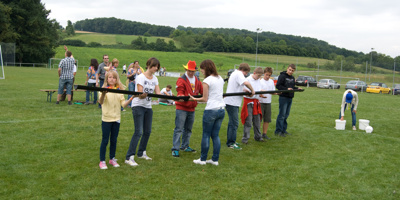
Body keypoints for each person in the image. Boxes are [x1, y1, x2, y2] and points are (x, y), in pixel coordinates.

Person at [125, 57, 161, 167]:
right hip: (138, 106)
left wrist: (166, 96)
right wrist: (142, 95)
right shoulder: (140, 77)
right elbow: (140, 94)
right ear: (149, 64)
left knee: (147, 131)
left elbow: (158, 92)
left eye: (157, 67)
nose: (155, 68)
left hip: (148, 107)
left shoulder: (155, 79)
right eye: (154, 66)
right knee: (138, 132)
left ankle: (141, 153)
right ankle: (129, 157)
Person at [189, 59, 225, 166]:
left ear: (206, 68)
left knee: (206, 135)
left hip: (211, 110)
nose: (201, 71)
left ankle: (203, 159)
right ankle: (215, 160)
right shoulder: (220, 78)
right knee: (215, 135)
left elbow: (205, 98)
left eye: (202, 69)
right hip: (221, 109)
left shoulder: (207, 80)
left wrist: (194, 99)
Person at [98, 70, 134, 169]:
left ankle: (112, 159)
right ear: (107, 79)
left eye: (114, 77)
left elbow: (123, 105)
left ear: (116, 79)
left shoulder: (119, 90)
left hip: (117, 119)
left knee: (114, 140)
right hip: (106, 119)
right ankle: (102, 161)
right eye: (110, 77)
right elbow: (100, 102)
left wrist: (131, 98)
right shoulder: (103, 89)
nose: (112, 79)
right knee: (105, 140)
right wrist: (104, 94)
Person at [171, 60, 203, 157]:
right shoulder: (181, 80)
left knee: (188, 129)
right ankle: (175, 148)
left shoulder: (197, 80)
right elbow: (180, 90)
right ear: (186, 69)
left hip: (192, 108)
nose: (191, 72)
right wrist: (181, 96)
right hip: (181, 108)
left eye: (192, 71)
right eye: (189, 70)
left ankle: (185, 146)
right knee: (179, 129)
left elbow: (202, 91)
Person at [224, 63, 255, 150]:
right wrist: (252, 90)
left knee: (232, 123)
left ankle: (231, 140)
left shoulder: (235, 73)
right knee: (234, 123)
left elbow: (239, 87)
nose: (246, 75)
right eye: (246, 73)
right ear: (244, 71)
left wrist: (246, 91)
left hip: (233, 102)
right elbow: (245, 82)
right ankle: (231, 143)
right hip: (232, 102)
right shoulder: (239, 74)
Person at [275, 64, 301, 137]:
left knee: (286, 115)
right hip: (283, 97)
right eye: (290, 70)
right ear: (287, 69)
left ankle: (283, 129)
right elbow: (278, 86)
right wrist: (286, 89)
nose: (290, 71)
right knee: (282, 114)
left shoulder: (292, 78)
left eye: (292, 70)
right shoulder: (282, 76)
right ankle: (278, 131)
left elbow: (292, 87)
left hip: (290, 98)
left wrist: (297, 88)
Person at [240, 67, 266, 144]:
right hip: (248, 103)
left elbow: (258, 89)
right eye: (258, 75)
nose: (259, 77)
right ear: (254, 73)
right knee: (248, 121)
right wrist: (248, 92)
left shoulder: (259, 80)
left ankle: (258, 137)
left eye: (260, 76)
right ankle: (245, 139)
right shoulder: (247, 80)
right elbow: (244, 89)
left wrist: (262, 94)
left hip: (256, 102)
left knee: (257, 121)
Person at [259, 67, 277, 139]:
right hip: (260, 102)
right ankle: (258, 134)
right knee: (259, 119)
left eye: (269, 75)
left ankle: (264, 133)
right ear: (264, 73)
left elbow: (272, 91)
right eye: (266, 75)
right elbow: (258, 91)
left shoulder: (271, 81)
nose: (267, 76)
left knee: (267, 119)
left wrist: (276, 93)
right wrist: (261, 95)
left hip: (268, 102)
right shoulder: (260, 81)